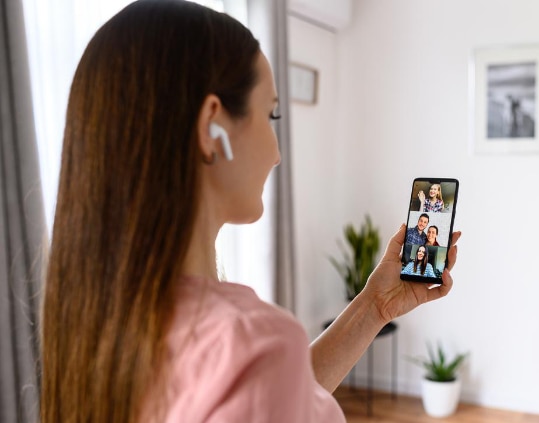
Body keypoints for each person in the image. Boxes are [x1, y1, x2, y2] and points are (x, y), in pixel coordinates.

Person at [39, 2, 461, 423]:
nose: (277, 154)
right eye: (269, 113)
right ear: (212, 128)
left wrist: (373, 306)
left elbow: (276, 397)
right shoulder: (250, 345)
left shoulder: (94, 322)